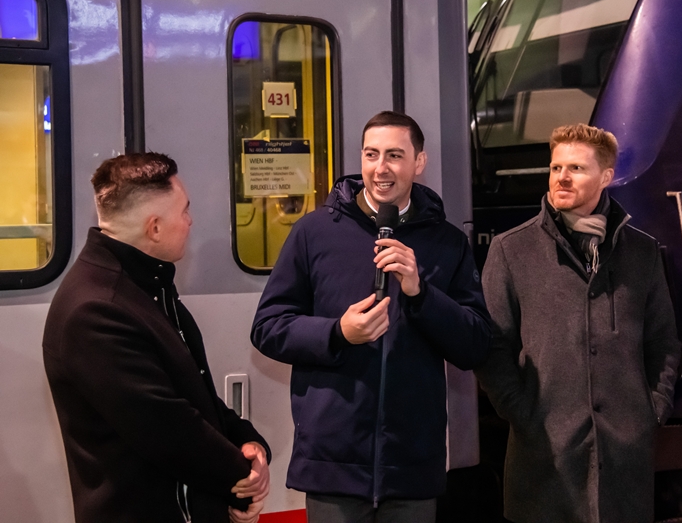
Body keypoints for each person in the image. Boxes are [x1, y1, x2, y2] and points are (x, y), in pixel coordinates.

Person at [251, 111, 492, 523]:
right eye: (371, 154)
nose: (381, 168)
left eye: (395, 155)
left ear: (419, 162)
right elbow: (268, 327)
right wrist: (337, 333)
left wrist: (421, 293)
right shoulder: (314, 232)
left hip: (411, 468)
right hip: (333, 466)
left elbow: (475, 345)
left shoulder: (448, 242)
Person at [43, 153, 271, 523]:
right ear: (155, 228)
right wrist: (243, 479)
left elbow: (192, 390)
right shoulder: (97, 311)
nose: (191, 221)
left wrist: (248, 441)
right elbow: (168, 429)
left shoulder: (146, 283)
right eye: (184, 210)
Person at [474, 123, 681, 523]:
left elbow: (664, 341)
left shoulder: (642, 251)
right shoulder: (511, 249)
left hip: (624, 463)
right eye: (556, 167)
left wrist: (652, 410)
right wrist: (521, 412)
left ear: (606, 177)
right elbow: (493, 347)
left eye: (576, 168)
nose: (562, 177)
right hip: (544, 460)